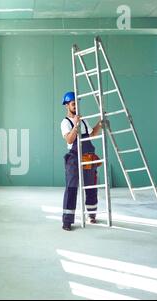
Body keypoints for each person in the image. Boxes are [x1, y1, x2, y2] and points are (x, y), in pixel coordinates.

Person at [60, 92, 103, 231]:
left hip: (88, 157)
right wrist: (76, 124)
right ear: (67, 105)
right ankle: (67, 221)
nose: (76, 106)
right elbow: (69, 140)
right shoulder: (65, 123)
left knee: (90, 187)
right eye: (73, 104)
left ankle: (91, 215)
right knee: (71, 189)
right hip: (73, 159)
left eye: (77, 103)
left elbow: (92, 134)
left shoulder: (84, 121)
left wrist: (100, 123)